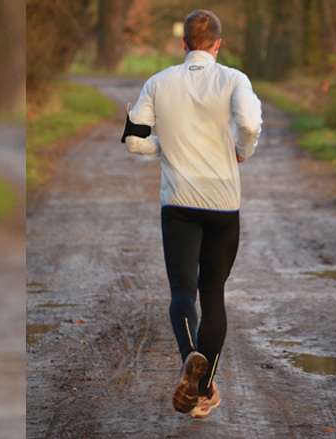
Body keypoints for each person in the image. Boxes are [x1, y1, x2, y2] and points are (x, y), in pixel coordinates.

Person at [120, 9, 262, 419]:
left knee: (183, 291)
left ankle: (190, 359)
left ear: (183, 44)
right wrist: (243, 150)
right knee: (213, 296)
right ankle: (201, 390)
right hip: (222, 203)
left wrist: (162, 148)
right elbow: (250, 124)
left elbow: (133, 140)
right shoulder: (235, 79)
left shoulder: (159, 82)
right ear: (218, 44)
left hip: (179, 203)